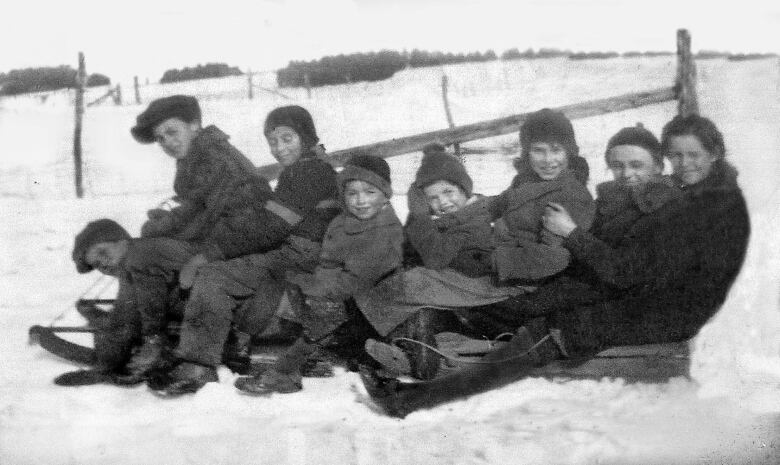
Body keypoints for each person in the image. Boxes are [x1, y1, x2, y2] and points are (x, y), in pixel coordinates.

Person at [363, 116, 749, 418]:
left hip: (655, 308)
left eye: (693, 155)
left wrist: (571, 235)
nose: (626, 173)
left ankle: (412, 398)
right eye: (617, 165)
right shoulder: (672, 197)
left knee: (545, 332)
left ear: (714, 153)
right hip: (633, 294)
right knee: (526, 308)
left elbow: (630, 271)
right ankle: (428, 340)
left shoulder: (688, 207)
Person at [153, 106, 340, 396]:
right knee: (236, 264)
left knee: (215, 276)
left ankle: (199, 363)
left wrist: (211, 252)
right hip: (298, 251)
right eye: (273, 142)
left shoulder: (309, 172)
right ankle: (231, 338)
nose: (279, 148)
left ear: (306, 136)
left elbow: (272, 227)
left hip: (301, 255)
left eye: (287, 138)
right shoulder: (306, 167)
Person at [120, 96, 298, 382]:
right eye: (159, 138)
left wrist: (164, 231)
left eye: (172, 132)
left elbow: (239, 220)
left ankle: (155, 338)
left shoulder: (217, 161)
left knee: (142, 254)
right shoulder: (197, 156)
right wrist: (165, 223)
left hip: (237, 247)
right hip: (220, 241)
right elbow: (197, 209)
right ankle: (143, 324)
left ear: (194, 125)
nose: (166, 142)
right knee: (144, 249)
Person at [234, 153, 404, 396]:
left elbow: (356, 281)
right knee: (296, 282)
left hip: (377, 310)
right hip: (351, 301)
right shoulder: (342, 223)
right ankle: (305, 356)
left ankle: (285, 370)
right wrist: (313, 282)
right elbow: (329, 264)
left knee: (323, 310)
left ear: (385, 194)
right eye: (352, 193)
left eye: (370, 192)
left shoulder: (386, 231)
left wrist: (315, 287)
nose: (360, 200)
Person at [356, 144, 527, 380]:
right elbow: (415, 247)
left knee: (413, 284)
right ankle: (411, 348)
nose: (443, 202)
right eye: (433, 198)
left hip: (488, 286)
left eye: (449, 192)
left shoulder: (477, 214)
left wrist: (419, 215)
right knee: (406, 287)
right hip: (461, 283)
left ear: (464, 189)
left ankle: (415, 355)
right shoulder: (443, 220)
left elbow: (435, 257)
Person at [54, 219, 194, 386]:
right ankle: (116, 344)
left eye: (103, 252)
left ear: (121, 240)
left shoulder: (140, 256)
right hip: (193, 302)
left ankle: (114, 360)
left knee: (132, 309)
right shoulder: (136, 253)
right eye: (98, 264)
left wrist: (153, 339)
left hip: (204, 307)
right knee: (128, 310)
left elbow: (151, 303)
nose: (104, 263)